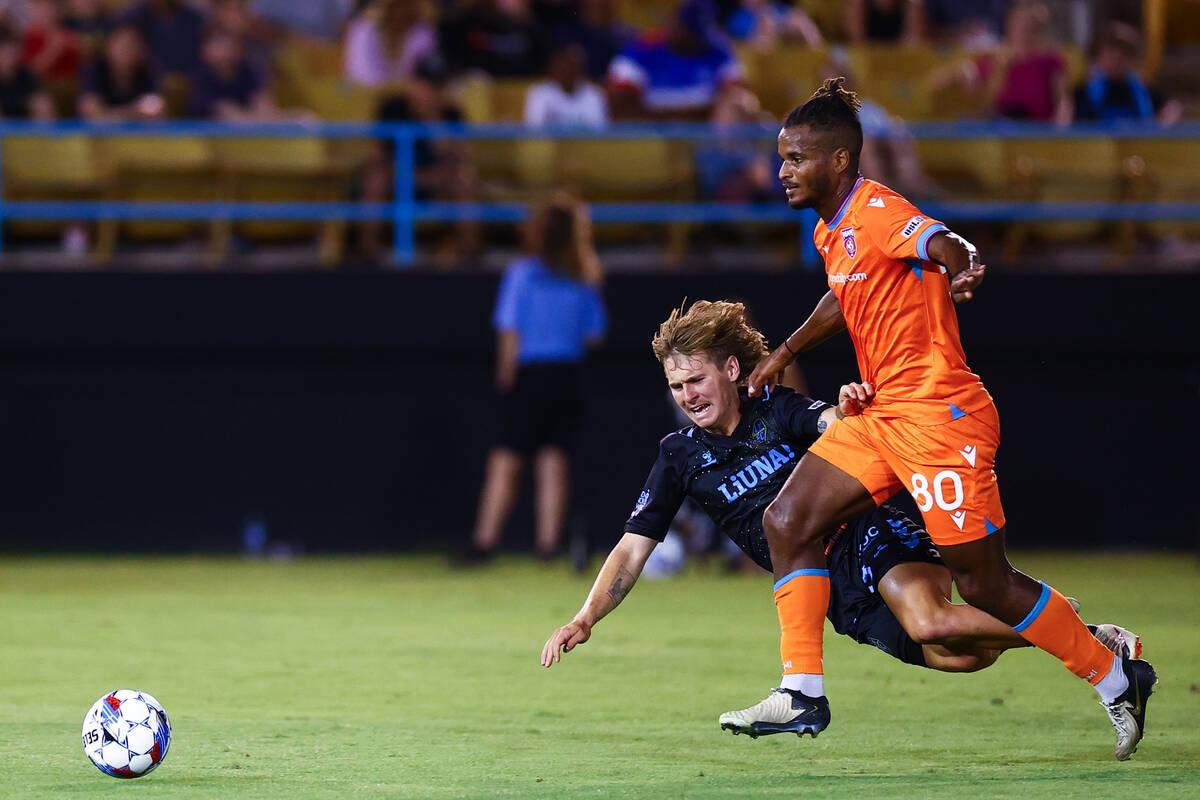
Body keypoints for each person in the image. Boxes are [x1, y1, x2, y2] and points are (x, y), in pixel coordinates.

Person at [721, 77, 1155, 760]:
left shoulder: (878, 210)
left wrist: (964, 263)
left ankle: (1111, 674)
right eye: (781, 158)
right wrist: (786, 351)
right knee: (787, 520)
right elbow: (844, 296)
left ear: (839, 160)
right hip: (885, 414)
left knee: (985, 584)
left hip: (939, 418)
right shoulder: (832, 231)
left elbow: (942, 241)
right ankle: (801, 691)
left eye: (796, 159)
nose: (782, 172)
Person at [541, 300, 1140, 684]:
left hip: (866, 535)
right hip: (826, 590)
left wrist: (849, 410)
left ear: (729, 370)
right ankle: (1072, 630)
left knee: (932, 624)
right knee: (961, 653)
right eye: (676, 385)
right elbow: (632, 546)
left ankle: (1081, 640)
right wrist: (586, 617)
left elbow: (828, 423)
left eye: (695, 378)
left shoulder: (775, 408)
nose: (687, 394)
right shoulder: (677, 456)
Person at [462, 193, 607, 563]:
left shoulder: (521, 273)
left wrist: (506, 379)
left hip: (530, 375)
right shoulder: (584, 275)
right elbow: (595, 333)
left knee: (506, 459)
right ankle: (547, 547)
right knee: (553, 459)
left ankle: (483, 544)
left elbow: (509, 331)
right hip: (567, 376)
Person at [606, 0, 745, 121]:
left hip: (705, 140)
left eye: (698, 36)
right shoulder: (640, 50)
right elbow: (620, 109)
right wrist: (687, 116)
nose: (695, 42)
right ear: (675, 26)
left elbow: (737, 97)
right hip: (649, 137)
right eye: (690, 34)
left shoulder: (717, 50)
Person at [1070, 21, 1182, 126]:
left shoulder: (1144, 91)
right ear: (1098, 54)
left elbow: (1172, 109)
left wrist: (1163, 124)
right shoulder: (1082, 93)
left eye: (1125, 51)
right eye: (1111, 49)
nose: (1118, 56)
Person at [79, 24, 165, 121]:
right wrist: (132, 112)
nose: (125, 50)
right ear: (108, 47)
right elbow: (92, 112)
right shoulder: (95, 68)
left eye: (131, 45)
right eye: (121, 45)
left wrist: (109, 114)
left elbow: (154, 110)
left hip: (138, 134)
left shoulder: (147, 70)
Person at [343, 0, 437, 88]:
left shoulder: (423, 35)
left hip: (406, 98)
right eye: (392, 8)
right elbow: (361, 79)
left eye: (401, 6)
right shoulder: (362, 31)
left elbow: (427, 81)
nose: (397, 13)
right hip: (364, 98)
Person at [523, 42, 608, 128]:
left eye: (573, 66)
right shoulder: (540, 92)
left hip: (584, 141)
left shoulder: (594, 94)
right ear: (555, 67)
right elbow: (534, 129)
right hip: (549, 141)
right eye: (565, 66)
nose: (568, 71)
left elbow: (598, 132)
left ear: (581, 69)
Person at [0, 25, 54, 120]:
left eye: (12, 51)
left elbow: (39, 97)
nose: (9, 56)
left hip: (22, 118)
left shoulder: (25, 73)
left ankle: (45, 133)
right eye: (4, 51)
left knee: (42, 103)